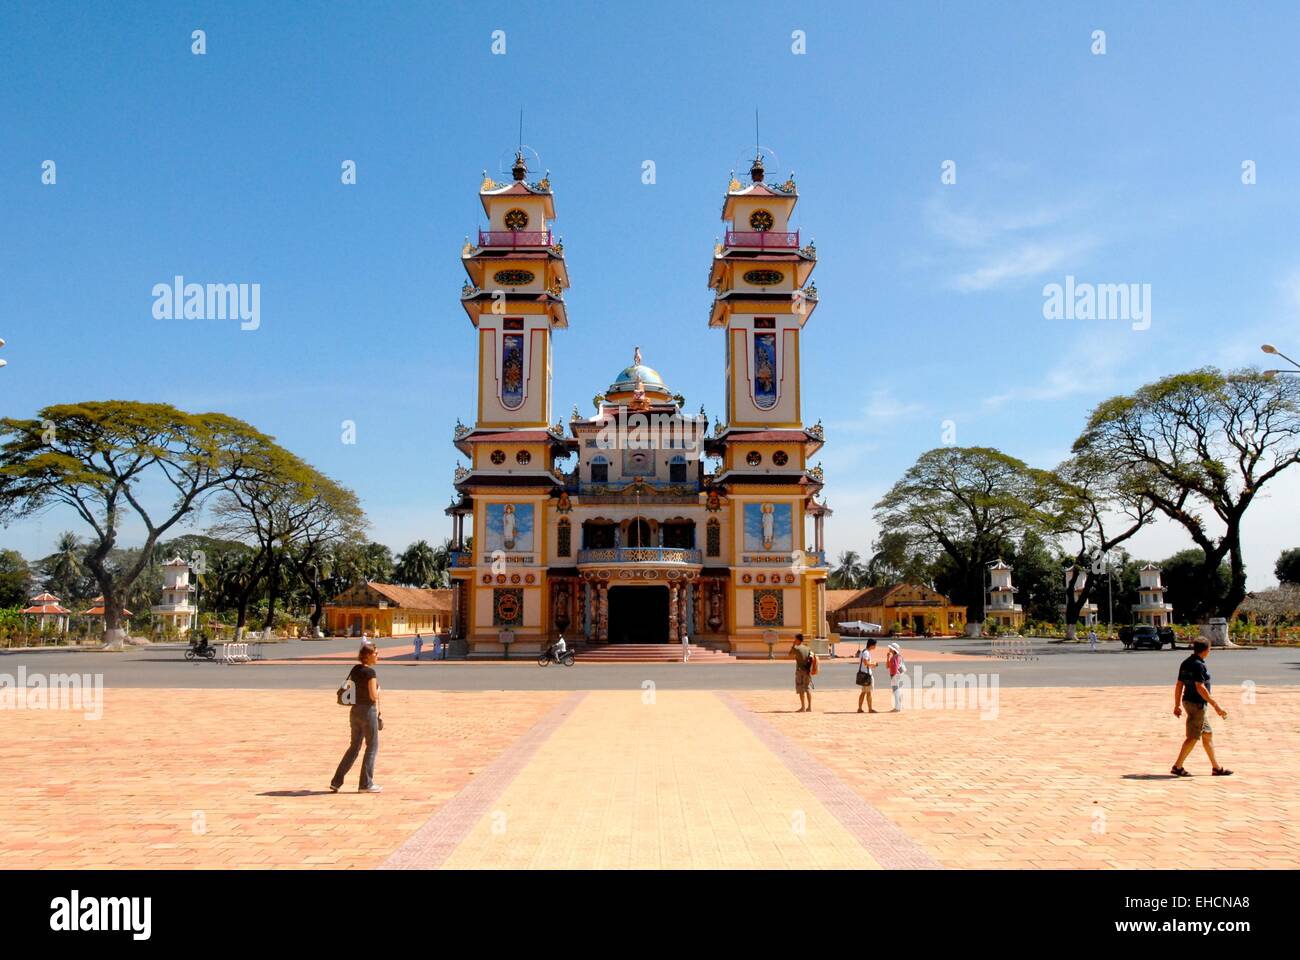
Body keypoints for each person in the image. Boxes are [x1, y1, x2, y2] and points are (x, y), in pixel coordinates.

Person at [1171, 639, 1232, 778]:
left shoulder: (1185, 663)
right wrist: (1216, 705)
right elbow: (1200, 687)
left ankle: (1216, 768)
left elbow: (1179, 685)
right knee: (1192, 737)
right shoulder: (1199, 665)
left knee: (1207, 734)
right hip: (1197, 704)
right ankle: (1177, 766)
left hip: (1188, 702)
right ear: (1206, 650)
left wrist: (1177, 705)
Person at [331, 642, 383, 793]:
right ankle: (365, 784)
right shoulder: (370, 673)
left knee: (354, 746)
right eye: (376, 653)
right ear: (368, 655)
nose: (377, 656)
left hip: (355, 711)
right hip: (368, 711)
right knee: (372, 746)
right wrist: (379, 690)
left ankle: (336, 781)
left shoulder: (355, 669)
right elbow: (373, 695)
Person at [791, 633, 814, 712]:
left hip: (800, 670)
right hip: (807, 670)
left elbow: (790, 654)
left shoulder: (797, 649)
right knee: (807, 688)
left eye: (795, 639)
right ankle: (810, 707)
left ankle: (803, 707)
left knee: (800, 688)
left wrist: (793, 645)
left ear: (797, 639)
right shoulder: (808, 648)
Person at [856, 638, 879, 714]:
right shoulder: (866, 653)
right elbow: (865, 663)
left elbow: (865, 663)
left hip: (864, 673)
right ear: (872, 645)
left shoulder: (863, 651)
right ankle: (870, 709)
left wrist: (871, 665)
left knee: (863, 692)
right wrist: (874, 664)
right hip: (867, 675)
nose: (875, 646)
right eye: (875, 645)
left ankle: (860, 708)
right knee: (868, 692)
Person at [886, 642, 908, 712]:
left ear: (893, 649)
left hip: (895, 674)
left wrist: (894, 675)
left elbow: (894, 667)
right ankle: (898, 706)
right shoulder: (895, 656)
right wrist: (888, 657)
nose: (889, 649)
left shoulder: (896, 657)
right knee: (896, 690)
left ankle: (897, 707)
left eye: (890, 648)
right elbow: (887, 666)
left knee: (895, 690)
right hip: (896, 674)